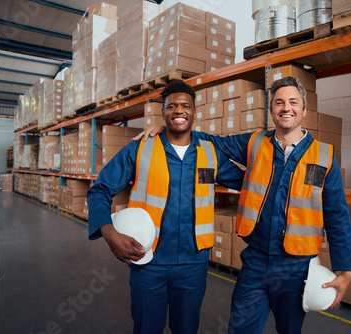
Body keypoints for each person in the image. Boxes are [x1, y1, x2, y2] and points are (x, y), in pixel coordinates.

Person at [140, 76, 351, 333]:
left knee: (289, 329)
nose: (285, 107)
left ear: (304, 109)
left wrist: (345, 270)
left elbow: (337, 216)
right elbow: (215, 142)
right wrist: (170, 127)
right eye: (279, 102)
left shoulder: (324, 156)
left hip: (297, 267)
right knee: (240, 328)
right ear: (271, 110)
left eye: (292, 102)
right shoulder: (255, 142)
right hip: (256, 262)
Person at [87, 81, 245, 334]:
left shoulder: (210, 153)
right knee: (147, 327)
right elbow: (100, 190)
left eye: (185, 106)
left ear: (194, 112)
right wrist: (109, 232)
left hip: (193, 263)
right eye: (171, 106)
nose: (178, 111)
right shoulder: (140, 149)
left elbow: (250, 182)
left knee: (187, 327)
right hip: (149, 259)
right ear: (163, 113)